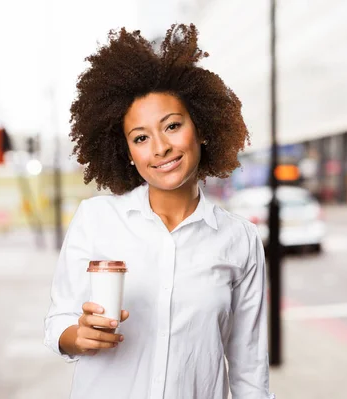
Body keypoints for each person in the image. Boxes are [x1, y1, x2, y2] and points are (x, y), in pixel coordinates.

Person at [44, 24, 274, 399]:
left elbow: (249, 369)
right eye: (141, 137)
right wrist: (79, 336)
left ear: (200, 129)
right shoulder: (97, 219)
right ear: (128, 154)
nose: (160, 147)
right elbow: (58, 323)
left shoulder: (239, 240)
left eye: (172, 126)